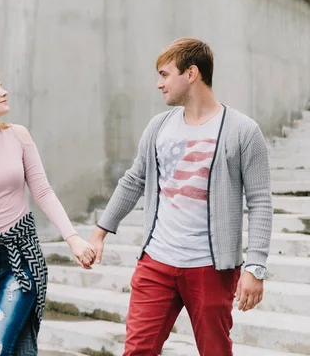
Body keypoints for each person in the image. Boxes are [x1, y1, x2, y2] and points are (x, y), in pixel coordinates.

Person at [89, 38, 273, 355]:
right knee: (137, 351)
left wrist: (255, 267)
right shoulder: (159, 127)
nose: (159, 84)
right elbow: (134, 179)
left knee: (215, 350)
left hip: (211, 269)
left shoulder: (243, 130)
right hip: (156, 263)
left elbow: (260, 202)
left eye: (164, 74)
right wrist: (99, 233)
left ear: (191, 74)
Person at [0, 67, 96, 356]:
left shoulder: (18, 136)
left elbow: (43, 191)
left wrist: (72, 238)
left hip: (20, 257)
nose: (4, 92)